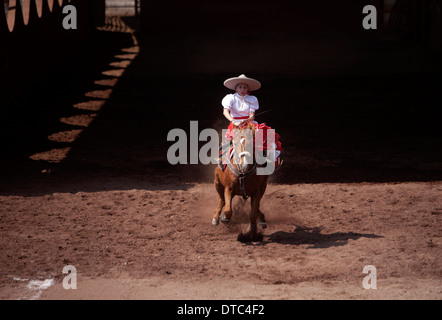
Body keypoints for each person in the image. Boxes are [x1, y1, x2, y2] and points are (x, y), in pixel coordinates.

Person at [221, 74, 283, 169]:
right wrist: (234, 121)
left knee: (267, 138)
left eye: (244, 87)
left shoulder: (252, 99)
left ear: (247, 89)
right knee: (227, 143)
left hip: (249, 124)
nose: (242, 89)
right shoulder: (230, 98)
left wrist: (245, 120)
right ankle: (222, 163)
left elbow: (252, 116)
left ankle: (267, 162)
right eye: (240, 87)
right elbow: (225, 112)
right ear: (236, 88)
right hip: (235, 124)